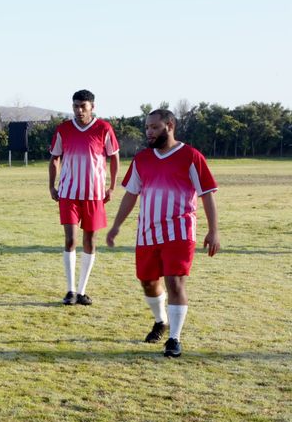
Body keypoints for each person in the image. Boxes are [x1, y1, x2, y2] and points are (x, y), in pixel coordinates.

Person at [107, 109, 220, 358]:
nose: (149, 131)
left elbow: (207, 193)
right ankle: (161, 321)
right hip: (147, 233)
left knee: (175, 281)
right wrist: (116, 226)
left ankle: (174, 339)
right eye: (147, 127)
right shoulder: (142, 159)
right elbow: (130, 194)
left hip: (179, 232)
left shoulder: (191, 156)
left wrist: (214, 231)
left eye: (154, 127)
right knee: (148, 282)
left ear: (170, 126)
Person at [48, 89, 120, 305]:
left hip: (95, 194)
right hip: (69, 194)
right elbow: (54, 158)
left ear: (92, 107)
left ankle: (82, 290)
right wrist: (52, 186)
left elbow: (114, 158)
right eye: (76, 106)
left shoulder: (104, 128)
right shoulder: (64, 129)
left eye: (83, 106)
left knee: (90, 240)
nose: (79, 110)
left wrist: (112, 187)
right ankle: (70, 291)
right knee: (70, 239)